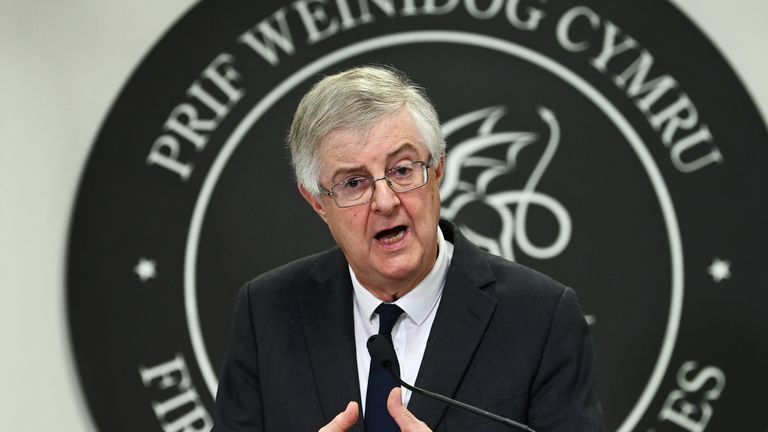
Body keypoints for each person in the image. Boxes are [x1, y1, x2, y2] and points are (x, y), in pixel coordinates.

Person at [213, 65, 602, 432]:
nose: (385, 201)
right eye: (353, 183)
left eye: (402, 170)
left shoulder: (541, 318)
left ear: (437, 171)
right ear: (317, 202)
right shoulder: (267, 313)